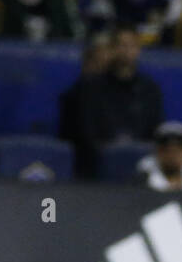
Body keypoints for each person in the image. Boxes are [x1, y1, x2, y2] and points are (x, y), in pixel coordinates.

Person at [70, 23, 164, 177]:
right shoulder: (91, 87)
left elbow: (155, 129)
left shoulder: (149, 89)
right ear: (112, 49)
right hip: (99, 163)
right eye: (121, 45)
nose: (126, 51)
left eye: (132, 45)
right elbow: (86, 132)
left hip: (142, 163)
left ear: (138, 49)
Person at [134, 120, 182, 190]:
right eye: (167, 151)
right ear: (158, 152)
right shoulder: (142, 180)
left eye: (177, 151)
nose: (172, 156)